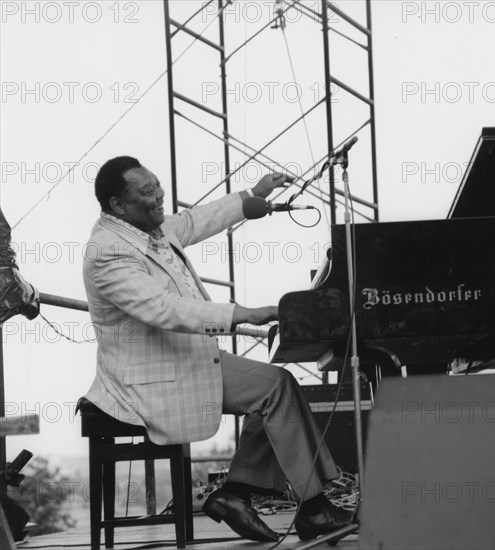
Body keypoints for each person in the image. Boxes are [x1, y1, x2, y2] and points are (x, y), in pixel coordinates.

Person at [82, 156, 352, 542]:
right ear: (117, 205)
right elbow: (163, 308)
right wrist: (242, 314)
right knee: (275, 388)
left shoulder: (145, 228)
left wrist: (253, 195)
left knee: (276, 385)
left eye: (157, 184)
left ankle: (241, 495)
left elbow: (194, 220)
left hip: (181, 361)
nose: (159, 194)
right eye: (146, 191)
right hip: (147, 383)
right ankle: (310, 511)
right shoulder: (107, 252)